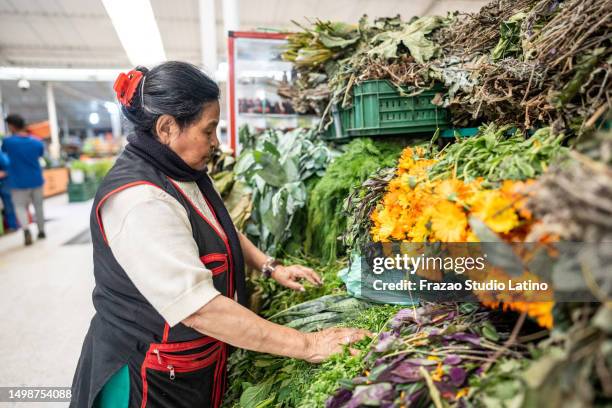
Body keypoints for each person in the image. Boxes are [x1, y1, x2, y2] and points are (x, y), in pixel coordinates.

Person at [70, 62, 369, 408]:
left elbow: (216, 227)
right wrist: (309, 344)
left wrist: (269, 266)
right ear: (167, 127)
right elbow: (199, 309)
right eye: (209, 130)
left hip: (185, 365)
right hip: (145, 375)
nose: (216, 142)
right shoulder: (140, 201)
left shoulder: (180, 169)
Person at [2, 114, 46, 245]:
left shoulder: (8, 142)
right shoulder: (37, 142)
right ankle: (41, 230)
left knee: (20, 207)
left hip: (17, 181)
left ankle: (26, 230)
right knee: (38, 206)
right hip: (36, 179)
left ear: (11, 126)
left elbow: (4, 154)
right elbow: (40, 155)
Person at [0, 150, 18, 231]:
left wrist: (6, 172)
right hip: (5, 184)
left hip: (4, 183)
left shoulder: (2, 156)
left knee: (8, 206)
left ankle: (12, 226)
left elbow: (9, 166)